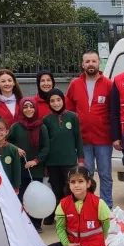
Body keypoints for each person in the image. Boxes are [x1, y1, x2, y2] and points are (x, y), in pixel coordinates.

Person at [39, 166, 111, 246]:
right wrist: (67, 244)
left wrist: (101, 244)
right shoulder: (63, 203)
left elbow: (106, 226)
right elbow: (60, 227)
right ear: (69, 184)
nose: (76, 185)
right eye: (73, 182)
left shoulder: (99, 203)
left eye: (80, 181)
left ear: (88, 184)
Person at [66, 51, 115, 207]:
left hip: (103, 138)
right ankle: (88, 205)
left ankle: (107, 207)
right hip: (83, 139)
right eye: (87, 62)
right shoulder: (75, 84)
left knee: (105, 175)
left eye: (93, 61)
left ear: (99, 63)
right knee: (86, 175)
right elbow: (69, 110)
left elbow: (113, 110)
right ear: (82, 64)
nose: (90, 64)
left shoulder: (108, 84)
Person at [41, 89, 84, 225]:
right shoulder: (46, 120)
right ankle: (53, 213)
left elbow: (78, 139)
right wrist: (45, 162)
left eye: (58, 100)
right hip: (53, 162)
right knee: (56, 189)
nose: (56, 103)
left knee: (69, 189)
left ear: (63, 100)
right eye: (52, 101)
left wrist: (81, 159)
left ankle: (70, 215)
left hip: (69, 160)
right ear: (48, 103)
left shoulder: (73, 117)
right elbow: (45, 143)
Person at [9, 99, 50, 233]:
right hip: (19, 169)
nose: (28, 109)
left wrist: (35, 161)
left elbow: (46, 147)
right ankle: (22, 223)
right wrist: (15, 148)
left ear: (35, 109)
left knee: (35, 197)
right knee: (21, 196)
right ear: (21, 109)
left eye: (31, 107)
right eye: (25, 107)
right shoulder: (15, 127)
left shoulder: (41, 127)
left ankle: (36, 224)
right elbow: (6, 142)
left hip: (36, 169)